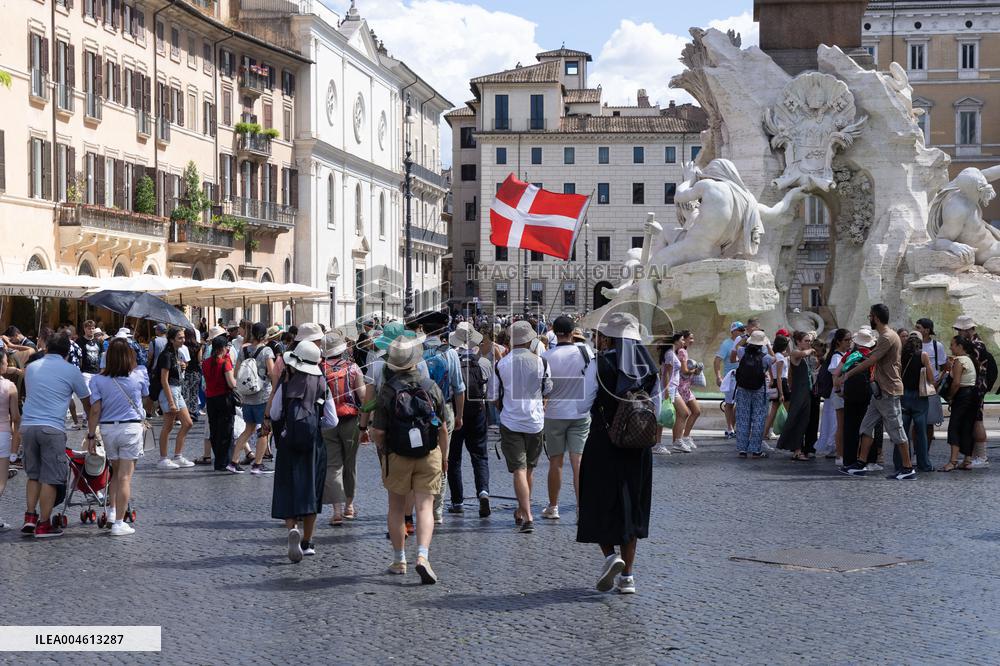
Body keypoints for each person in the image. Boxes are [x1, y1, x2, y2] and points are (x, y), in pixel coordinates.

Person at [577, 313, 658, 595]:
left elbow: (581, 404)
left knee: (598, 501)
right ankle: (628, 578)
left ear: (609, 337)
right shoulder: (649, 368)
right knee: (632, 506)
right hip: (638, 447)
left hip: (604, 442)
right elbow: (656, 409)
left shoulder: (600, 364)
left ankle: (611, 556)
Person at [371, 337, 448, 583]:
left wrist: (382, 452)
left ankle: (398, 559)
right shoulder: (431, 386)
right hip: (429, 453)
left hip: (397, 454)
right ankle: (423, 557)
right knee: (425, 506)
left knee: (396, 507)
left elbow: (379, 432)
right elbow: (444, 427)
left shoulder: (388, 390)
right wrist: (444, 457)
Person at [266, 340, 333, 562]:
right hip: (313, 444)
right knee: (311, 490)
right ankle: (308, 541)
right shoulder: (323, 384)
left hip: (287, 442)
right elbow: (332, 420)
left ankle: (291, 529)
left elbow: (275, 414)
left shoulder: (286, 386)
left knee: (288, 488)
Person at [19, 334, 91, 538]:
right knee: (50, 478)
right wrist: (90, 425)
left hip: (28, 426)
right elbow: (86, 400)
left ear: (47, 348)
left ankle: (30, 518)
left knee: (33, 475)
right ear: (68, 352)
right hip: (52, 427)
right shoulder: (71, 370)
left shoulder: (31, 368)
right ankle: (44, 524)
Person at [837, 304, 915, 479]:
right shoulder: (888, 336)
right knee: (866, 426)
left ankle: (908, 468)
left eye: (870, 316)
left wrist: (848, 373)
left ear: (876, 318)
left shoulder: (887, 337)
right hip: (880, 391)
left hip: (888, 390)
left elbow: (871, 360)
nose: (869, 319)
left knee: (896, 429)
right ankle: (860, 463)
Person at [496, 320, 553, 533]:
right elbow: (548, 389)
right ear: (530, 340)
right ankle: (525, 512)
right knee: (529, 469)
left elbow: (494, 395)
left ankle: (525, 512)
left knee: (519, 470)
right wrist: (541, 407)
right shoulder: (541, 362)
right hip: (535, 421)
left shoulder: (501, 364)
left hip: (511, 420)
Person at [87, 338, 148, 536]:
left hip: (107, 429)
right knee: (125, 477)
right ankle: (119, 523)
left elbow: (95, 410)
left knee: (115, 472)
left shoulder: (97, 380)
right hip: (130, 428)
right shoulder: (139, 375)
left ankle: (113, 511)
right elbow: (146, 396)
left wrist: (90, 435)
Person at [540, 315, 593, 520]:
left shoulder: (547, 356)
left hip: (554, 413)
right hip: (580, 412)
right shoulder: (585, 351)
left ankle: (553, 506)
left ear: (554, 331)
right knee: (578, 461)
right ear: (573, 333)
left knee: (556, 462)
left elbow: (544, 387)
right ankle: (582, 508)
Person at [416, 311, 466, 524]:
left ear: (423, 329)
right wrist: (460, 415)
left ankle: (420, 505)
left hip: (419, 409)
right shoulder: (450, 353)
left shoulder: (416, 351)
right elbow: (459, 388)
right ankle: (437, 511)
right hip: (444, 408)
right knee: (443, 459)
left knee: (420, 456)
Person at [446, 322, 493, 518]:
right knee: (480, 456)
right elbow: (490, 393)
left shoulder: (450, 360)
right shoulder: (483, 363)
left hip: (455, 412)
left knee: (454, 459)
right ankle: (483, 492)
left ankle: (457, 502)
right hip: (477, 412)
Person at [320, 331, 365, 525]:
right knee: (350, 464)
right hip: (350, 421)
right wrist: (366, 425)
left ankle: (336, 510)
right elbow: (363, 397)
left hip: (327, 422)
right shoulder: (353, 368)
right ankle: (349, 506)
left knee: (333, 465)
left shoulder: (319, 369)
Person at [231, 323, 276, 475]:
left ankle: (234, 461)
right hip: (263, 396)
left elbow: (236, 372)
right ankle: (257, 464)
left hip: (247, 397)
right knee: (264, 430)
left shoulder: (243, 350)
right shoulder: (267, 350)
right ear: (264, 336)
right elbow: (272, 373)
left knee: (248, 429)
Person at [953, 316, 996, 468]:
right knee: (973, 420)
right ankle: (973, 457)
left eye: (960, 330)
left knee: (977, 420)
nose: (958, 332)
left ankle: (982, 457)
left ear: (968, 330)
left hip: (977, 387)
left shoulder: (976, 346)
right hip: (976, 387)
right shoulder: (975, 343)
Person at [156, 328, 195, 469]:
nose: (183, 340)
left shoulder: (176, 353)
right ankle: (163, 459)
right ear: (171, 339)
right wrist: (171, 401)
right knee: (168, 426)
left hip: (177, 389)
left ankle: (178, 456)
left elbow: (174, 372)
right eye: (180, 338)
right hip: (170, 390)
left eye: (183, 337)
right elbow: (164, 380)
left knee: (188, 423)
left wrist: (182, 366)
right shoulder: (166, 355)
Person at [940, 335, 980, 471]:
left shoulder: (959, 361)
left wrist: (950, 396)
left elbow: (956, 383)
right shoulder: (970, 359)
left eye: (952, 344)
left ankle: (953, 461)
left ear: (960, 346)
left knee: (954, 427)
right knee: (967, 426)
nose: (950, 347)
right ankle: (967, 460)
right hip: (973, 395)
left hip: (962, 395)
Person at [777, 331, 818, 461]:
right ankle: (795, 449)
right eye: (806, 341)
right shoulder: (795, 353)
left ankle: (798, 450)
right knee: (795, 418)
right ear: (798, 342)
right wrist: (811, 349)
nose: (809, 343)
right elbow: (803, 353)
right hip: (800, 392)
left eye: (809, 341)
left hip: (806, 392)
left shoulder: (806, 357)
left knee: (803, 421)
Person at [899, 333, 936, 473]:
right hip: (919, 396)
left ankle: (901, 463)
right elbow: (931, 378)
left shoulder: (900, 356)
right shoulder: (923, 355)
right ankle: (924, 465)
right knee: (921, 432)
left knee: (902, 432)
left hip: (903, 395)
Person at [733, 330, 774, 457]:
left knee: (743, 418)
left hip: (743, 389)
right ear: (762, 344)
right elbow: (775, 359)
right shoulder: (766, 358)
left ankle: (742, 449)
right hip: (759, 390)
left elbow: (736, 347)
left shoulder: (742, 352)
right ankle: (756, 450)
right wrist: (767, 345)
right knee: (759, 418)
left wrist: (746, 337)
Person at [815, 329, 851, 464]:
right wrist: (838, 391)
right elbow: (835, 377)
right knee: (838, 424)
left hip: (840, 393)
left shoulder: (843, 354)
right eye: (847, 340)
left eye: (850, 339)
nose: (849, 342)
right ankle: (837, 452)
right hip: (838, 393)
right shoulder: (836, 357)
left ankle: (838, 451)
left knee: (838, 423)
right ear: (839, 341)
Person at [202, 331, 236, 471]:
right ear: (223, 348)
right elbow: (231, 383)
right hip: (224, 399)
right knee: (226, 431)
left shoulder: (206, 362)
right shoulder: (225, 363)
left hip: (210, 399)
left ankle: (218, 460)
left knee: (215, 431)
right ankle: (223, 461)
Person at [913, 318, 947, 447]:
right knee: (915, 422)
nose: (916, 330)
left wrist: (938, 381)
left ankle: (925, 452)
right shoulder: (914, 344)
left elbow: (945, 366)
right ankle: (917, 452)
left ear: (927, 330)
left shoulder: (937, 346)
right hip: (915, 386)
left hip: (931, 388)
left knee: (929, 422)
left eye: (918, 327)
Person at [715, 321, 745, 438]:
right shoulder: (726, 344)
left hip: (743, 377)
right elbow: (717, 360)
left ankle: (733, 426)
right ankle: (729, 428)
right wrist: (718, 376)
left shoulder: (745, 342)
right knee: (729, 403)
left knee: (740, 402)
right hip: (731, 377)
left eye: (743, 330)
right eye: (740, 330)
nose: (743, 332)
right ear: (733, 332)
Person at [657, 335, 686, 454]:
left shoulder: (672, 353)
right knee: (662, 416)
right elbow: (666, 373)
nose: (683, 341)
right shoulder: (669, 354)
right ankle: (657, 444)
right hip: (668, 389)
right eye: (682, 339)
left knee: (684, 413)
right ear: (675, 341)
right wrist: (667, 390)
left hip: (673, 388)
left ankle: (677, 441)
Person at [674, 330, 701, 451]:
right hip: (681, 387)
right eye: (690, 338)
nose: (692, 341)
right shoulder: (682, 352)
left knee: (695, 411)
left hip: (684, 387)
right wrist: (695, 371)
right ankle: (679, 439)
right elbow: (684, 371)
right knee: (684, 414)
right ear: (683, 339)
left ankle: (684, 437)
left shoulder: (681, 351)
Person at [0, 372, 21, 530]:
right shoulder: (9, 386)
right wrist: (15, 445)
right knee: (1, 480)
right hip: (3, 434)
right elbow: (15, 417)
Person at [763, 335, 789, 441]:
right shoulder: (780, 358)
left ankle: (765, 433)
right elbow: (779, 376)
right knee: (790, 410)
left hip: (775, 383)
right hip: (781, 383)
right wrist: (782, 393)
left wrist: (772, 380)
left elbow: (770, 369)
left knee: (773, 410)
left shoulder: (773, 357)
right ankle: (790, 432)